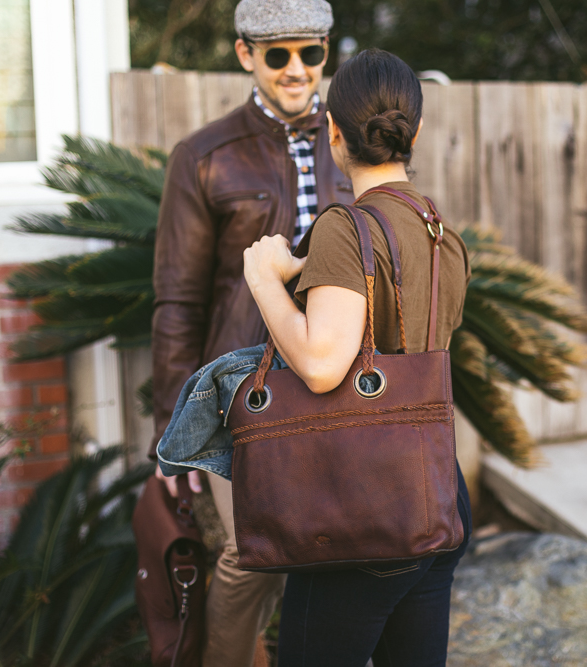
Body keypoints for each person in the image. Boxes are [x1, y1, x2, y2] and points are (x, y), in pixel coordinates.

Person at [242, 48, 473, 667]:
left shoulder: (347, 228)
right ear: (416, 132)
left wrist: (265, 280)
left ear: (334, 132)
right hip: (436, 496)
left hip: (366, 510)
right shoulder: (439, 232)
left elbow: (322, 364)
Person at [149, 0, 352, 664]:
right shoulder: (203, 155)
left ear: (326, 51)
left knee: (345, 545)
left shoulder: (356, 141)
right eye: (277, 55)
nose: (297, 70)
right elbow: (177, 300)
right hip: (241, 384)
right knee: (249, 552)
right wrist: (174, 432)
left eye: (311, 53)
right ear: (245, 55)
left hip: (337, 374)